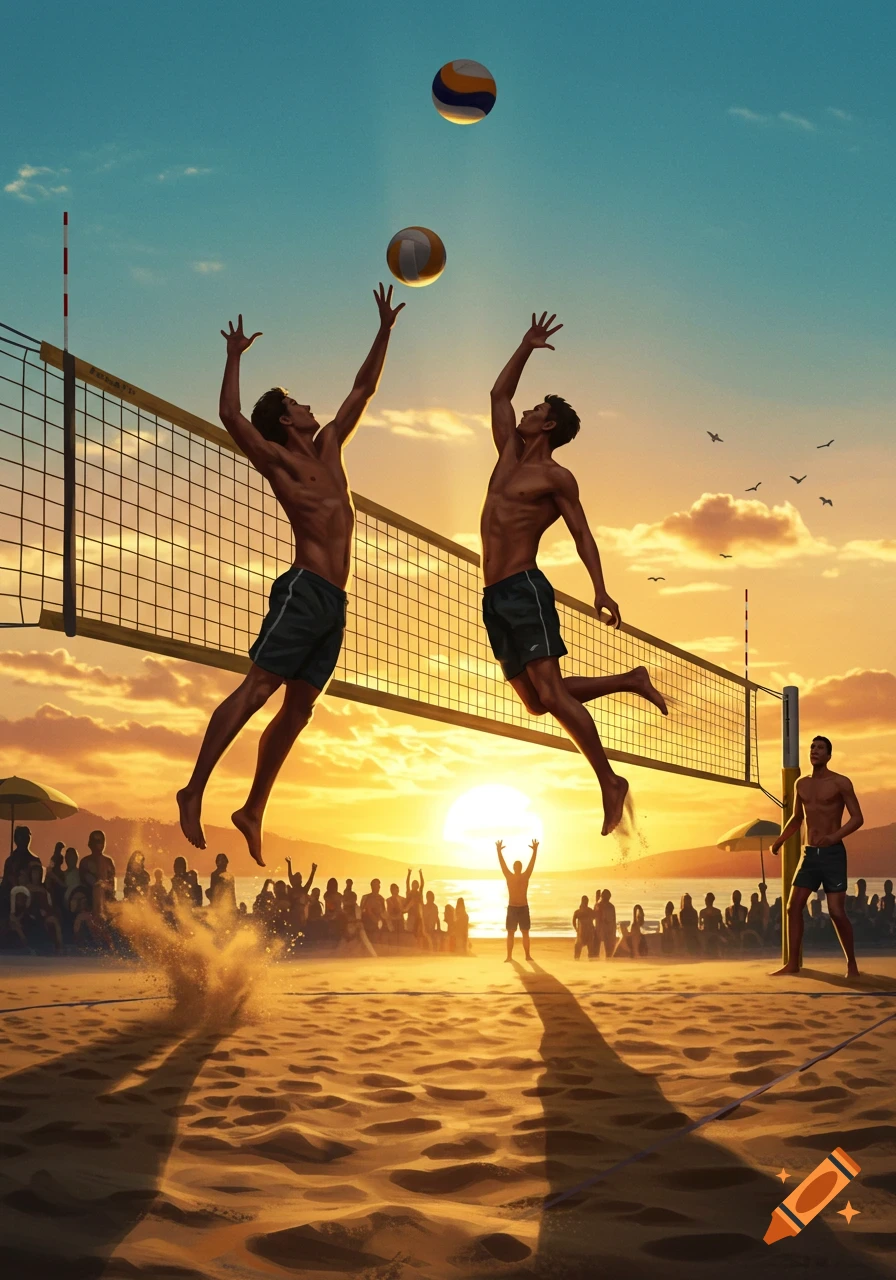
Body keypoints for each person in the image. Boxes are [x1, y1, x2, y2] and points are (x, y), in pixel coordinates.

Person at [177, 286, 406, 866]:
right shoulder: (279, 459)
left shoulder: (330, 447)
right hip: (303, 590)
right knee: (257, 690)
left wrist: (384, 329)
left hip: (335, 602)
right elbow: (230, 415)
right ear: (285, 418)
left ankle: (252, 809)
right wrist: (233, 355)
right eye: (299, 402)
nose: (310, 406)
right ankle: (194, 788)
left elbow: (364, 389)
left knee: (299, 710)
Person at [479, 313, 668, 837]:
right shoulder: (509, 454)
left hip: (522, 588)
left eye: (537, 408)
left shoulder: (556, 476)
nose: (527, 410)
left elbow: (583, 534)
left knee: (552, 693)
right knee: (539, 702)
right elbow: (498, 395)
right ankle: (630, 679)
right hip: (492, 595)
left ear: (549, 425)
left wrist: (600, 588)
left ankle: (609, 783)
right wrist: (525, 345)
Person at [770, 735, 864, 979]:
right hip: (809, 854)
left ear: (829, 755)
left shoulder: (841, 782)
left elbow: (857, 818)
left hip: (833, 854)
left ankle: (851, 964)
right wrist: (780, 840)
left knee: (836, 912)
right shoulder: (801, 784)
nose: (815, 750)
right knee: (793, 907)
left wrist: (834, 836)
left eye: (820, 748)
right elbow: (797, 818)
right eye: (812, 747)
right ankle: (792, 963)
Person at [497, 837, 538, 962]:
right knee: (511, 933)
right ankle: (509, 956)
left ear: (519, 867)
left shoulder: (525, 876)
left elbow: (531, 865)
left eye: (518, 866)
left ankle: (527, 955)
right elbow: (503, 865)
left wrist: (535, 851)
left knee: (525, 932)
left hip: (523, 907)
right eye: (516, 866)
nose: (517, 868)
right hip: (513, 908)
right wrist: (499, 852)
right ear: (514, 868)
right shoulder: (510, 877)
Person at [1, 826, 41, 916]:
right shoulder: (10, 860)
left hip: (30, 896)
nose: (25, 840)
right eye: (22, 837)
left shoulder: (34, 860)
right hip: (9, 897)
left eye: (27, 837)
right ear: (16, 839)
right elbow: (5, 882)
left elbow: (38, 883)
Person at [79, 830, 117, 917]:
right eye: (96, 841)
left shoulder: (108, 861)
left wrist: (104, 886)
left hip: (107, 897)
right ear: (90, 843)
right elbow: (84, 881)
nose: (99, 844)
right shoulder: (85, 862)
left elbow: (112, 885)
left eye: (101, 841)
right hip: (89, 897)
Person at [699, 892, 724, 957]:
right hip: (712, 932)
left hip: (708, 933)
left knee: (704, 937)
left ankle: (705, 953)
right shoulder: (717, 911)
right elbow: (721, 924)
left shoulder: (703, 912)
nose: (706, 901)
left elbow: (700, 925)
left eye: (707, 900)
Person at [594, 888, 617, 960]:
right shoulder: (599, 905)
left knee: (608, 951)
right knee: (596, 951)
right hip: (600, 929)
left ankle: (607, 961)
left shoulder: (610, 906)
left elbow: (613, 920)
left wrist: (613, 932)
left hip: (607, 930)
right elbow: (595, 915)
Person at [572, 894, 594, 960]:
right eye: (585, 901)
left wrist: (576, 928)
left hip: (586, 932)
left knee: (588, 949)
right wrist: (576, 928)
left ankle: (580, 959)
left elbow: (573, 921)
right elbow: (573, 921)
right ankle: (578, 959)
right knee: (579, 948)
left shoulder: (580, 911)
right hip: (583, 932)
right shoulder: (579, 912)